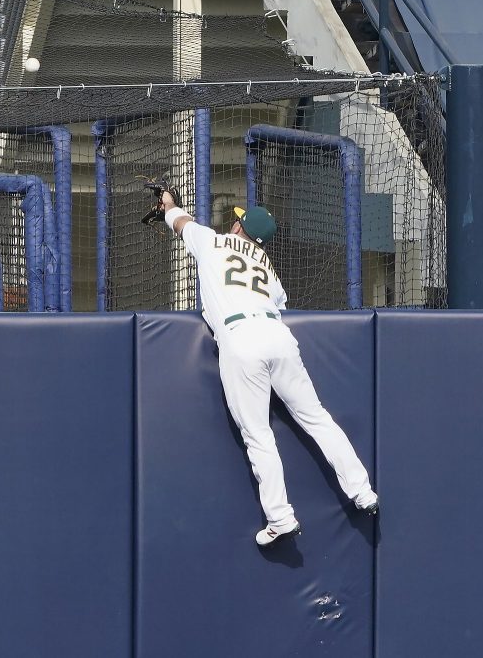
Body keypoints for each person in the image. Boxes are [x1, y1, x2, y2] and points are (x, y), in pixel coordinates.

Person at [159, 191, 379, 547]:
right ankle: (363, 491)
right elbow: (279, 302)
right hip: (278, 336)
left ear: (237, 225)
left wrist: (168, 205)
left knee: (258, 435)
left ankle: (280, 517)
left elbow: (181, 222)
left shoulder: (214, 240)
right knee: (318, 419)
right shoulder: (266, 262)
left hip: (241, 337)